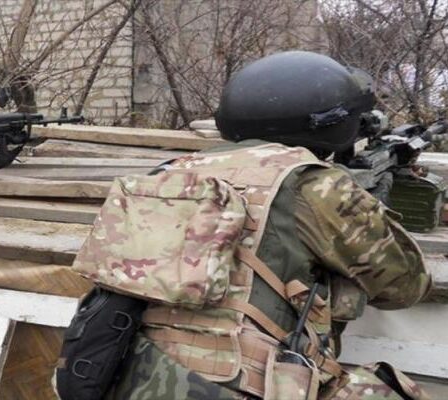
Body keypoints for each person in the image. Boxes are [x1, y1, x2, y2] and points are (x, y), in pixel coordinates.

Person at [72, 51, 432, 400]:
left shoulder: (171, 173)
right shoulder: (316, 187)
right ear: (332, 123)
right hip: (244, 384)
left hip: (136, 376)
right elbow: (404, 287)